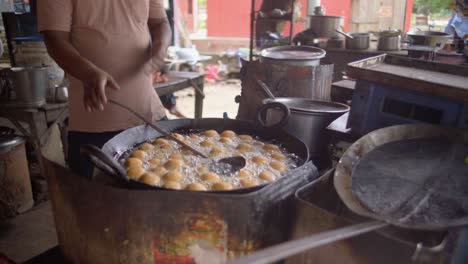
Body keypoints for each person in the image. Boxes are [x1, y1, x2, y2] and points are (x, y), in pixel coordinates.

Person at [38, 0, 172, 177]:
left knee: (162, 191)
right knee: (97, 200)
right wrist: (88, 72)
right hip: (95, 123)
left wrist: (160, 48)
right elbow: (54, 39)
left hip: (149, 115)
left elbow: (160, 23)